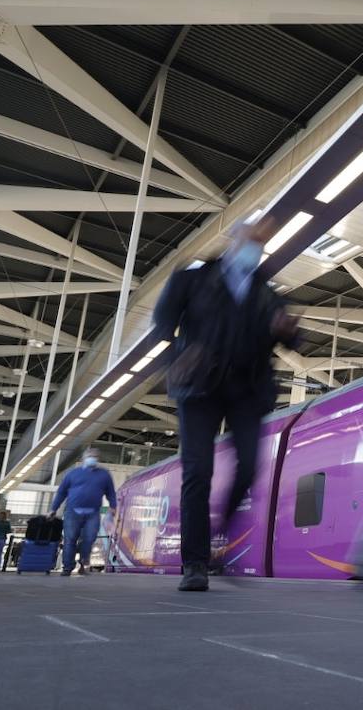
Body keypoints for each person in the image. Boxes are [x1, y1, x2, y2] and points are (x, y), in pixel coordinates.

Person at [153, 217, 300, 592]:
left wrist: (289, 332)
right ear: (233, 240)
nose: (256, 247)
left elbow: (294, 341)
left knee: (250, 467)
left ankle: (218, 530)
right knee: (197, 472)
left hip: (247, 390)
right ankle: (196, 563)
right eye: (251, 239)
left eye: (262, 242)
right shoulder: (192, 279)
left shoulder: (268, 294)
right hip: (199, 386)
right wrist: (176, 360)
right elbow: (162, 324)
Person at [48, 447, 117, 576]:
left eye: (95, 455)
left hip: (93, 513)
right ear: (84, 458)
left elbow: (111, 493)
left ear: (98, 459)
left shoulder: (104, 474)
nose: (93, 457)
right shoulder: (73, 473)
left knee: (90, 538)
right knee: (70, 539)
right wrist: (53, 509)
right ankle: (67, 567)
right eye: (90, 455)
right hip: (72, 512)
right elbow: (61, 492)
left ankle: (83, 562)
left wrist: (113, 507)